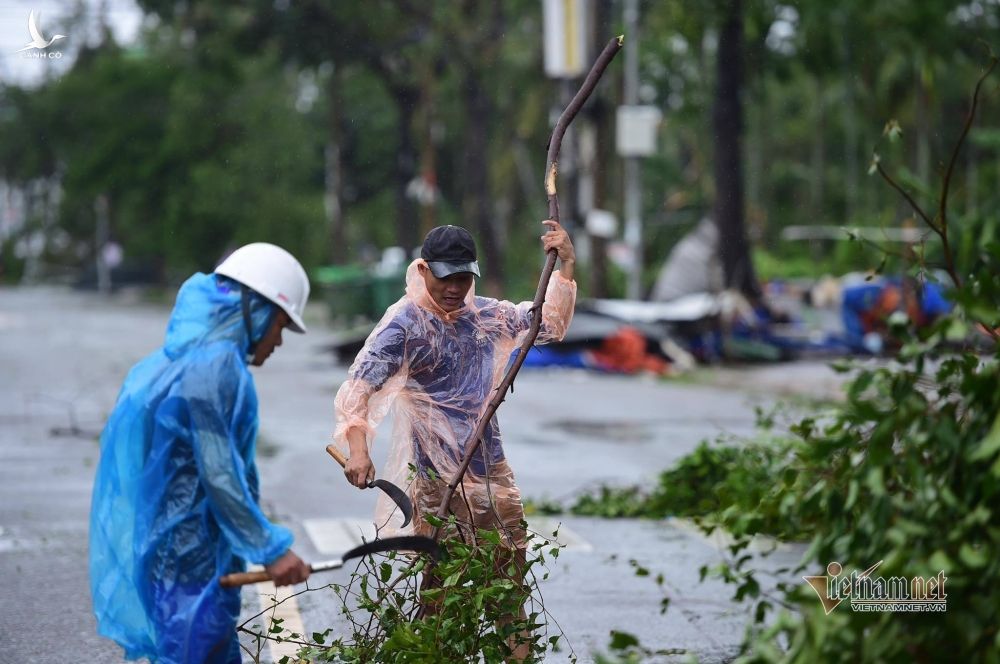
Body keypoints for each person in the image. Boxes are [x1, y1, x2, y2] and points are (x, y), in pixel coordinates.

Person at [331, 221, 576, 656]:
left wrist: (566, 264)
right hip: (433, 482)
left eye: (464, 277)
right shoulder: (403, 326)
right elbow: (358, 391)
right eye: (446, 277)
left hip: (489, 469)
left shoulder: (484, 315)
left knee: (507, 589)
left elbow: (547, 323)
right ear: (423, 270)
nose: (455, 287)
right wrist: (357, 451)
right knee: (439, 592)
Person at [89, 243, 313, 664]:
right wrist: (271, 549)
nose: (279, 340)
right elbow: (219, 473)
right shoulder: (216, 368)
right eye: (281, 324)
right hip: (187, 562)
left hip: (183, 552)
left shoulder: (187, 359)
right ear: (256, 310)